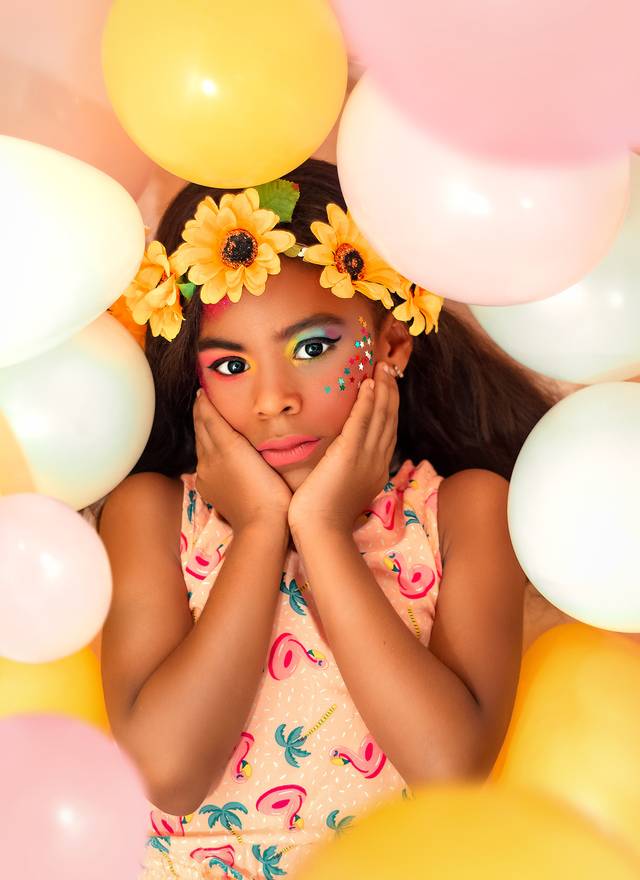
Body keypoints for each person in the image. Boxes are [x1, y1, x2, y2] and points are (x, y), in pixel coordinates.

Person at [99, 158, 559, 880]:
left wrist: (320, 529)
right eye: (229, 365)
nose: (273, 398)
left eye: (313, 349)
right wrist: (257, 530)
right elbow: (169, 774)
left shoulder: (465, 509)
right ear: (193, 377)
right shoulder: (153, 515)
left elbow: (449, 773)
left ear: (393, 345)